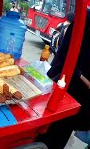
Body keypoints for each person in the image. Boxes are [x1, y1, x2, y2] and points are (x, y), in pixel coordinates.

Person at [36, 8, 90, 149]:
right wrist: (84, 79)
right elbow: (67, 55)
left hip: (80, 100)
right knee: (48, 133)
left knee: (61, 135)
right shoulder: (86, 18)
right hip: (65, 87)